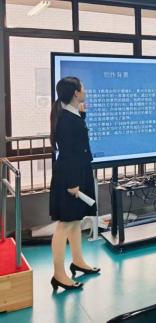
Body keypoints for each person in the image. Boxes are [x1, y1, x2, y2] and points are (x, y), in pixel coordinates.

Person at [49, 77, 100, 291]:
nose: (85, 91)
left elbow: (76, 142)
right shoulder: (67, 120)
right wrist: (73, 183)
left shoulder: (71, 115)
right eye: (83, 88)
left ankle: (78, 261)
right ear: (76, 93)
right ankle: (59, 275)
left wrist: (82, 115)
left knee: (75, 221)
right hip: (71, 176)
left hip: (78, 172)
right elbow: (69, 152)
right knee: (65, 225)